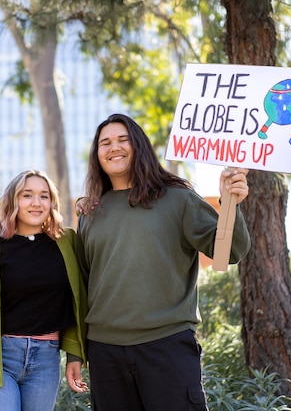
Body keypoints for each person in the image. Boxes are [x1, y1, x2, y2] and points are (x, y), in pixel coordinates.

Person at [75, 113, 251, 411]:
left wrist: (229, 201)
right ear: (97, 155)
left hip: (167, 345)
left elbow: (229, 252)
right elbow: (81, 285)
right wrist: (76, 352)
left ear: (139, 146)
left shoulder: (177, 199)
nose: (113, 147)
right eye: (104, 142)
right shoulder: (90, 213)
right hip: (105, 352)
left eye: (122, 139)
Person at [0, 169, 88, 411]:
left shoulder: (67, 243)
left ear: (52, 202)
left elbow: (77, 301)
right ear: (13, 201)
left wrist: (74, 355)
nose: (36, 203)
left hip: (45, 360)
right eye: (27, 195)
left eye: (44, 196)